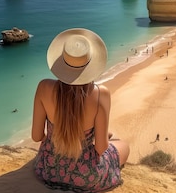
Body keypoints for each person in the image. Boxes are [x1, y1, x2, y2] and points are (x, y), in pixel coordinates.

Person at [32, 28, 130, 192]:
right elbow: (100, 148)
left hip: (47, 170)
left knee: (105, 137)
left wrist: (57, 140)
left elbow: (36, 136)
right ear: (91, 64)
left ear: (60, 62)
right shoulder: (100, 94)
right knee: (123, 145)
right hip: (86, 177)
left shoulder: (44, 87)